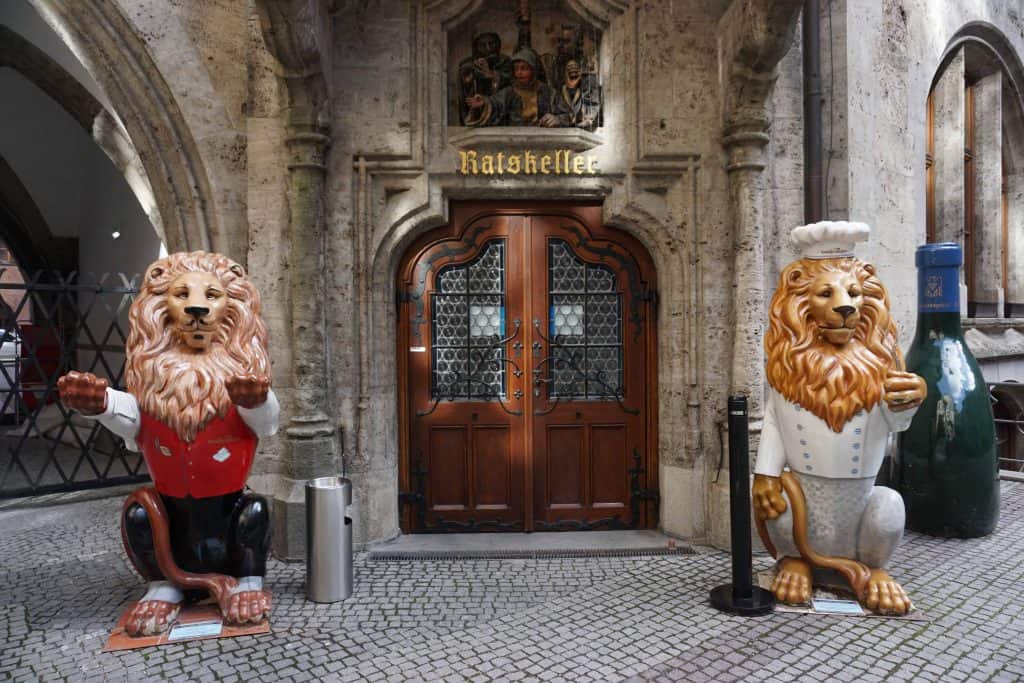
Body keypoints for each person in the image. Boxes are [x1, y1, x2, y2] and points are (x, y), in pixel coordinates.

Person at [464, 49, 567, 127]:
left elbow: (568, 115)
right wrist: (483, 104)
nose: (519, 73)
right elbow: (494, 105)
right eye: (516, 69)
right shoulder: (509, 92)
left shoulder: (548, 92)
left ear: (534, 70)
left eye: (524, 68)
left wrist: (557, 119)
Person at [457, 32, 512, 125]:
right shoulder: (467, 64)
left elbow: (511, 85)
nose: (488, 48)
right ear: (476, 47)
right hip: (476, 109)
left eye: (492, 44)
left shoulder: (505, 61)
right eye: (482, 45)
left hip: (499, 111)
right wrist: (473, 72)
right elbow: (465, 89)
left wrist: (492, 75)